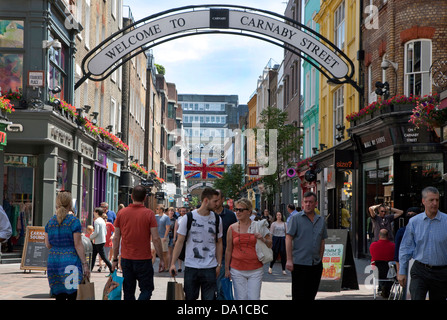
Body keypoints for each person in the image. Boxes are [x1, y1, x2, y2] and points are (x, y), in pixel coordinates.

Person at [169, 187, 223, 300]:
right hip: (191, 267)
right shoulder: (188, 218)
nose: (217, 204)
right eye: (215, 201)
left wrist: (219, 265)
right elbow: (179, 242)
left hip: (210, 267)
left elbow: (219, 243)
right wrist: (173, 263)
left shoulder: (217, 219)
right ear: (206, 200)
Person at [111, 185, 164, 300]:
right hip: (144, 259)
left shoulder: (121, 213)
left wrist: (115, 258)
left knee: (128, 292)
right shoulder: (149, 214)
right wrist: (162, 258)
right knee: (146, 289)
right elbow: (156, 238)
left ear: (131, 196)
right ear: (145, 198)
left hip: (126, 259)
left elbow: (116, 238)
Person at [398, 186, 447, 300]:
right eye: (431, 200)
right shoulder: (414, 222)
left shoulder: (446, 221)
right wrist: (402, 271)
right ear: (423, 201)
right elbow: (406, 247)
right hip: (420, 270)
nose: (434, 203)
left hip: (441, 272)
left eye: (437, 200)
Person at [44, 191, 90, 300]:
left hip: (54, 261)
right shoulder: (74, 222)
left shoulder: (50, 222)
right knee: (72, 294)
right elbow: (78, 244)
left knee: (59, 295)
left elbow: (48, 244)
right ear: (70, 204)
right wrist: (85, 264)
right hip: (71, 262)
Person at [225, 198, 272, 300]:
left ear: (249, 212)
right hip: (237, 269)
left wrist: (262, 238)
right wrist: (226, 269)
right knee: (241, 298)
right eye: (236, 209)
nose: (238, 212)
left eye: (241, 210)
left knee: (254, 298)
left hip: (255, 269)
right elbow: (228, 249)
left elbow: (270, 244)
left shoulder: (258, 226)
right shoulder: (231, 228)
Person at [286, 191, 328, 300]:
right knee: (299, 295)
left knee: (311, 295)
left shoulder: (321, 220)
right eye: (306, 202)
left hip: (315, 264)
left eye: (310, 202)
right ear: (302, 203)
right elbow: (288, 238)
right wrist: (289, 260)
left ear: (316, 203)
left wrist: (320, 259)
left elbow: (322, 241)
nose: (308, 204)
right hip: (299, 263)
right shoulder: (296, 219)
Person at [215, 190, 237, 300]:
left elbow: (234, 236)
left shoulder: (230, 215)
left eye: (217, 200)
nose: (215, 202)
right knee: (209, 290)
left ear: (223, 200)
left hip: (224, 256)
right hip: (208, 257)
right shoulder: (208, 214)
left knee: (221, 289)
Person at [369, 229, 395, 298]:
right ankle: (385, 288)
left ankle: (382, 287)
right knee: (391, 272)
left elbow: (373, 256)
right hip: (390, 271)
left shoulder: (373, 245)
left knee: (380, 271)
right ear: (388, 236)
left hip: (377, 271)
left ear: (379, 236)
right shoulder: (393, 246)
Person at [90, 207, 112, 272]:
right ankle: (90, 269)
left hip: (98, 241)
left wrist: (91, 237)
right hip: (102, 240)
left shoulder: (96, 221)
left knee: (103, 257)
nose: (93, 213)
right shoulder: (102, 220)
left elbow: (96, 232)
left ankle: (112, 268)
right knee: (94, 255)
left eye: (94, 212)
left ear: (97, 212)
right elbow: (105, 231)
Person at [155, 204, 170, 272]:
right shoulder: (155, 217)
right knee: (153, 252)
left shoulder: (166, 217)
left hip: (163, 237)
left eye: (157, 209)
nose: (156, 210)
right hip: (156, 237)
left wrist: (165, 237)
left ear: (161, 210)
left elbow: (167, 228)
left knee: (164, 253)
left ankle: (166, 267)